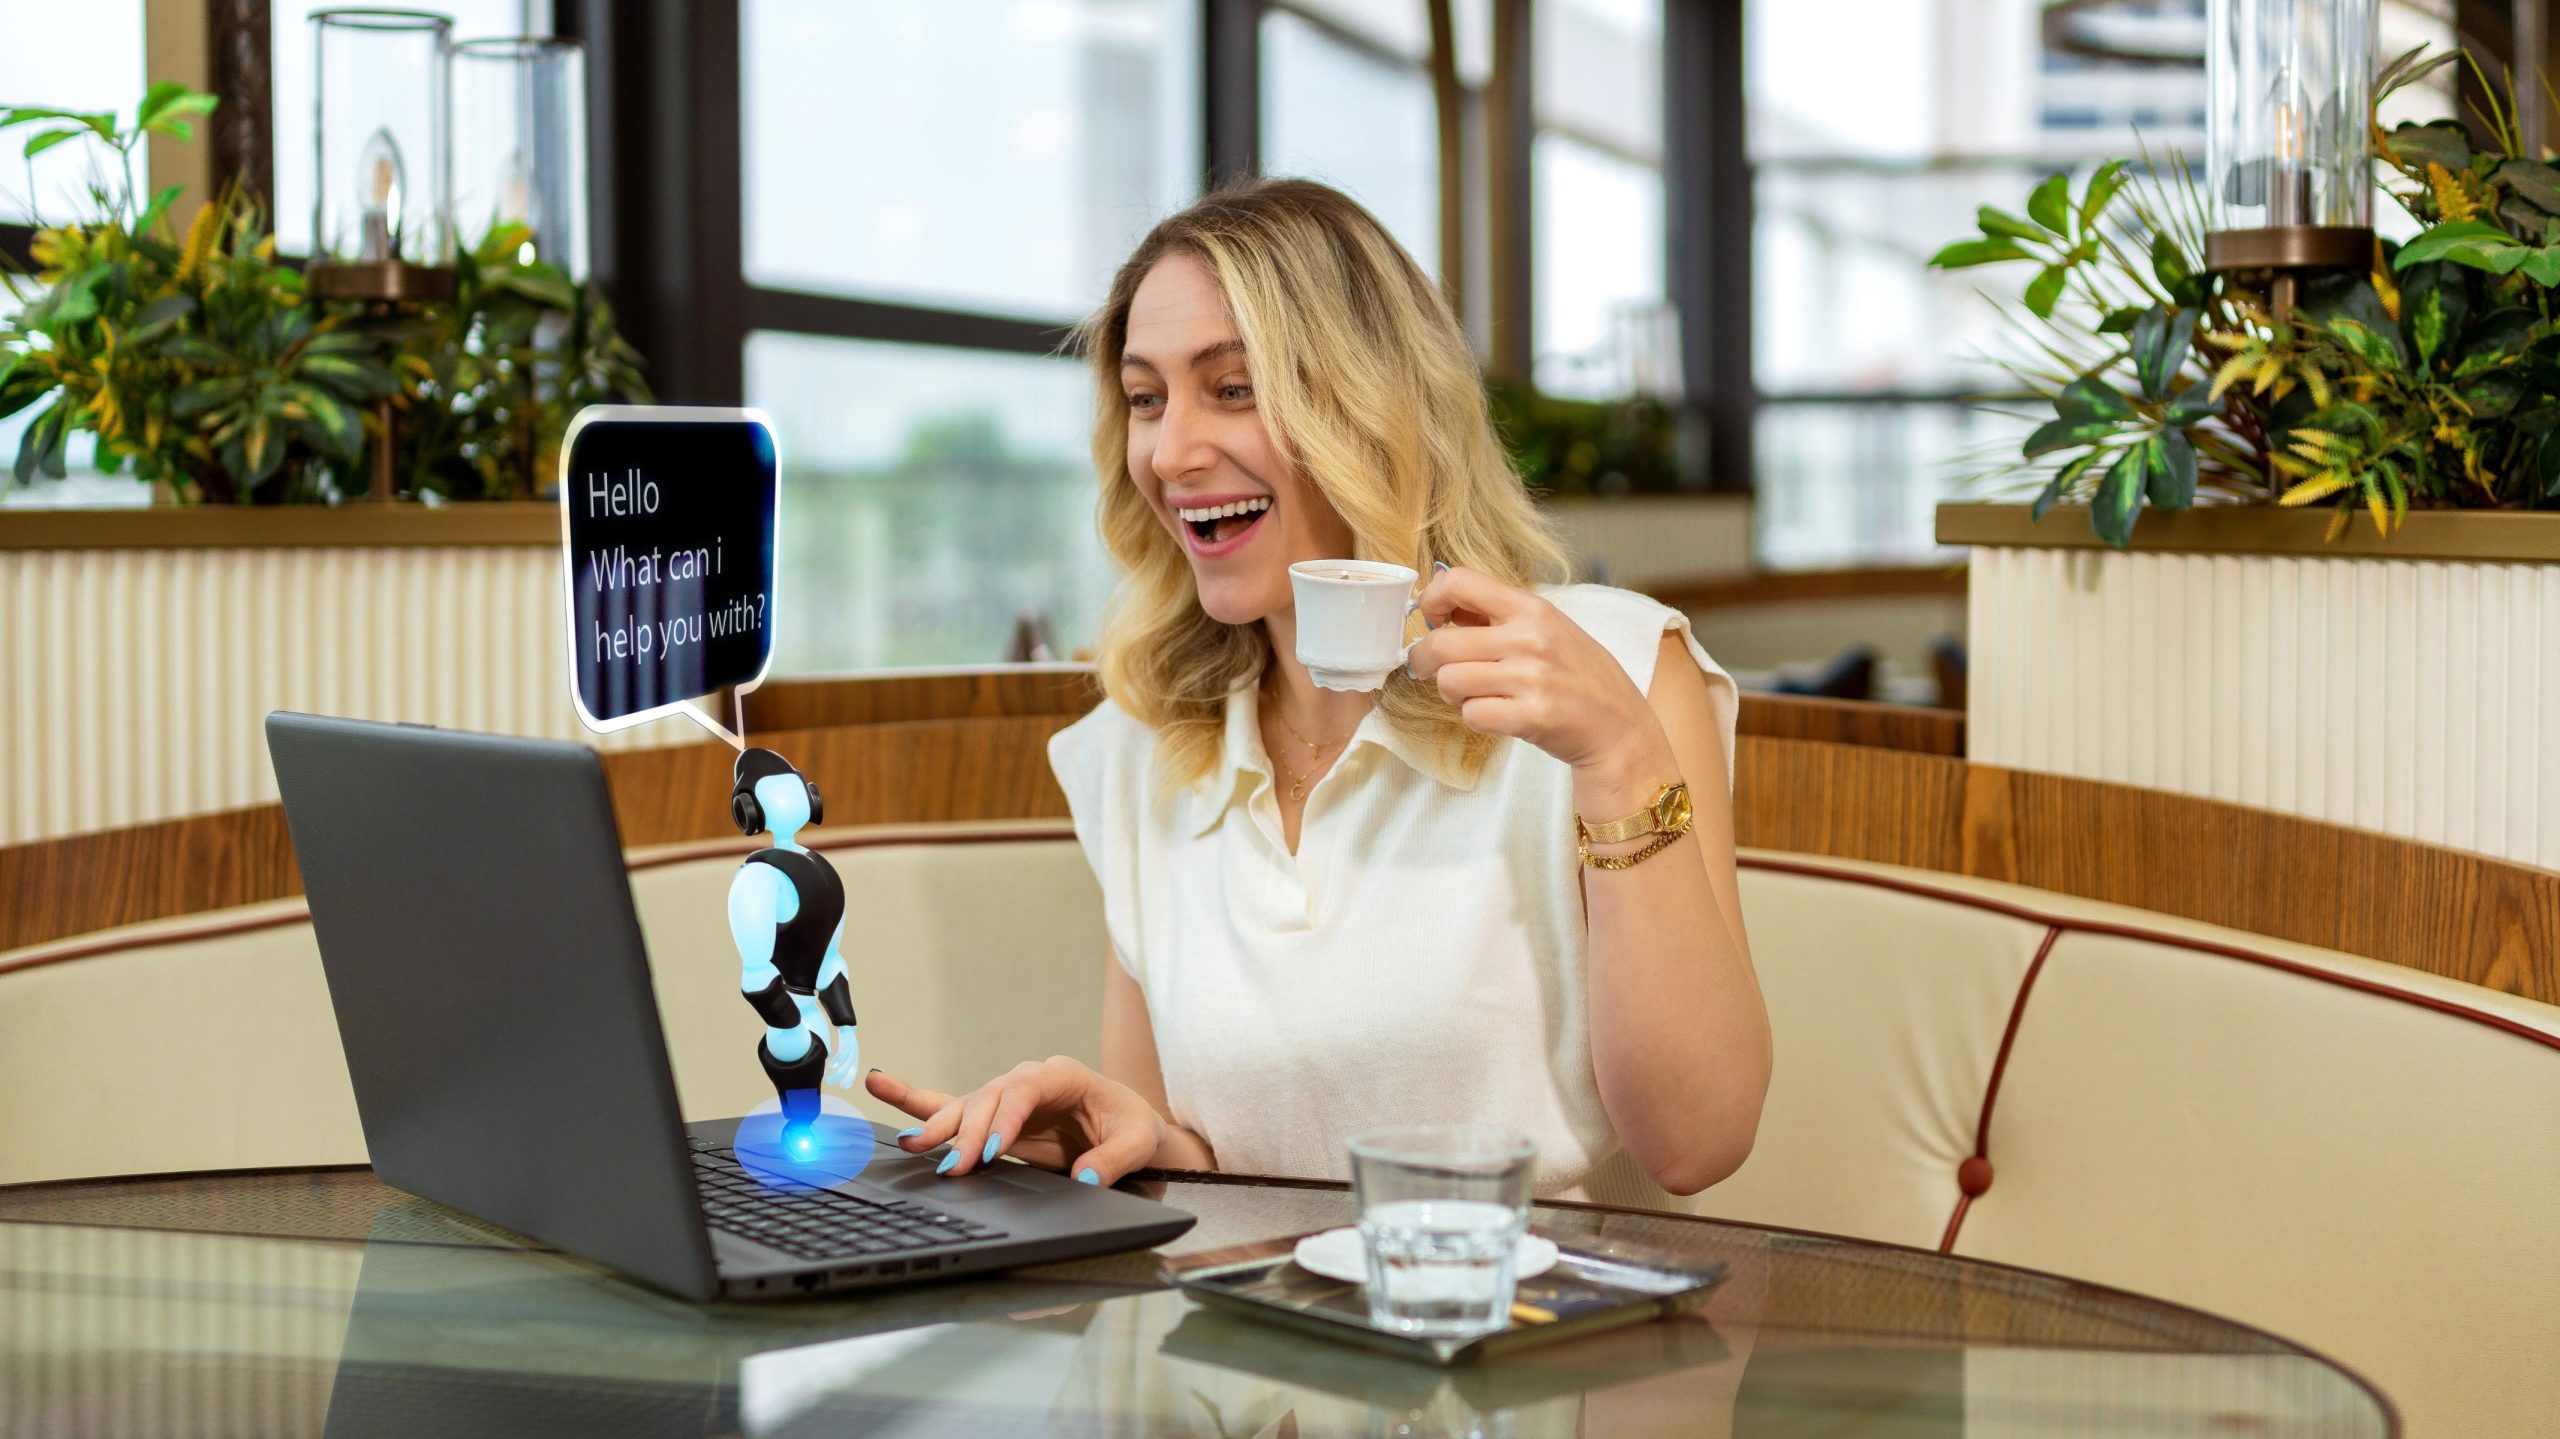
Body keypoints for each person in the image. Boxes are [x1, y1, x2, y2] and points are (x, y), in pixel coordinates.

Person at [866, 178, 1769, 1204]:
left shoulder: (1610, 669)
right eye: (1147, 398)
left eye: (1234, 387)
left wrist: (1618, 757)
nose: (1171, 452)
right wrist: (1133, 1140)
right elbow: (1205, 1180)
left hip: (1525, 1335)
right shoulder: (1137, 747)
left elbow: (1697, 1141)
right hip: (1249, 1347)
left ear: (1370, 404)